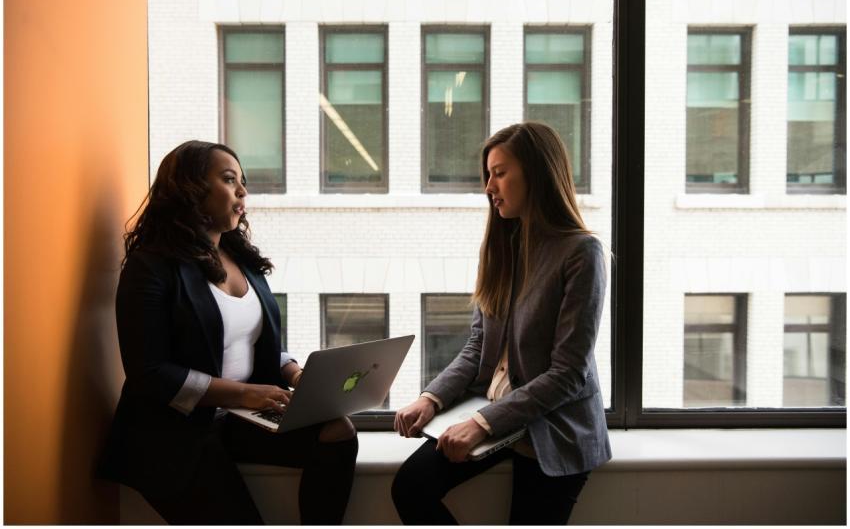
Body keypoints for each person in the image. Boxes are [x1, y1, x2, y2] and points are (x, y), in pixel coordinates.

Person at [98, 141, 358, 525]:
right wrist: (247, 393)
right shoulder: (149, 266)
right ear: (189, 188)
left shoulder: (242, 260)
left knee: (338, 430)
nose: (242, 192)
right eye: (229, 180)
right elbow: (148, 373)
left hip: (236, 418)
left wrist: (298, 375)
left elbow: (254, 342)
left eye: (243, 182)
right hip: (172, 434)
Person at [392, 122, 611, 525]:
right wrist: (431, 398)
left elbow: (568, 374)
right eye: (487, 174)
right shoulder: (501, 248)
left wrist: (481, 424)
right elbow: (478, 347)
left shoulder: (582, 253)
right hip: (495, 410)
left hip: (553, 425)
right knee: (410, 487)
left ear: (537, 172)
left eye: (500, 172)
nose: (489, 186)